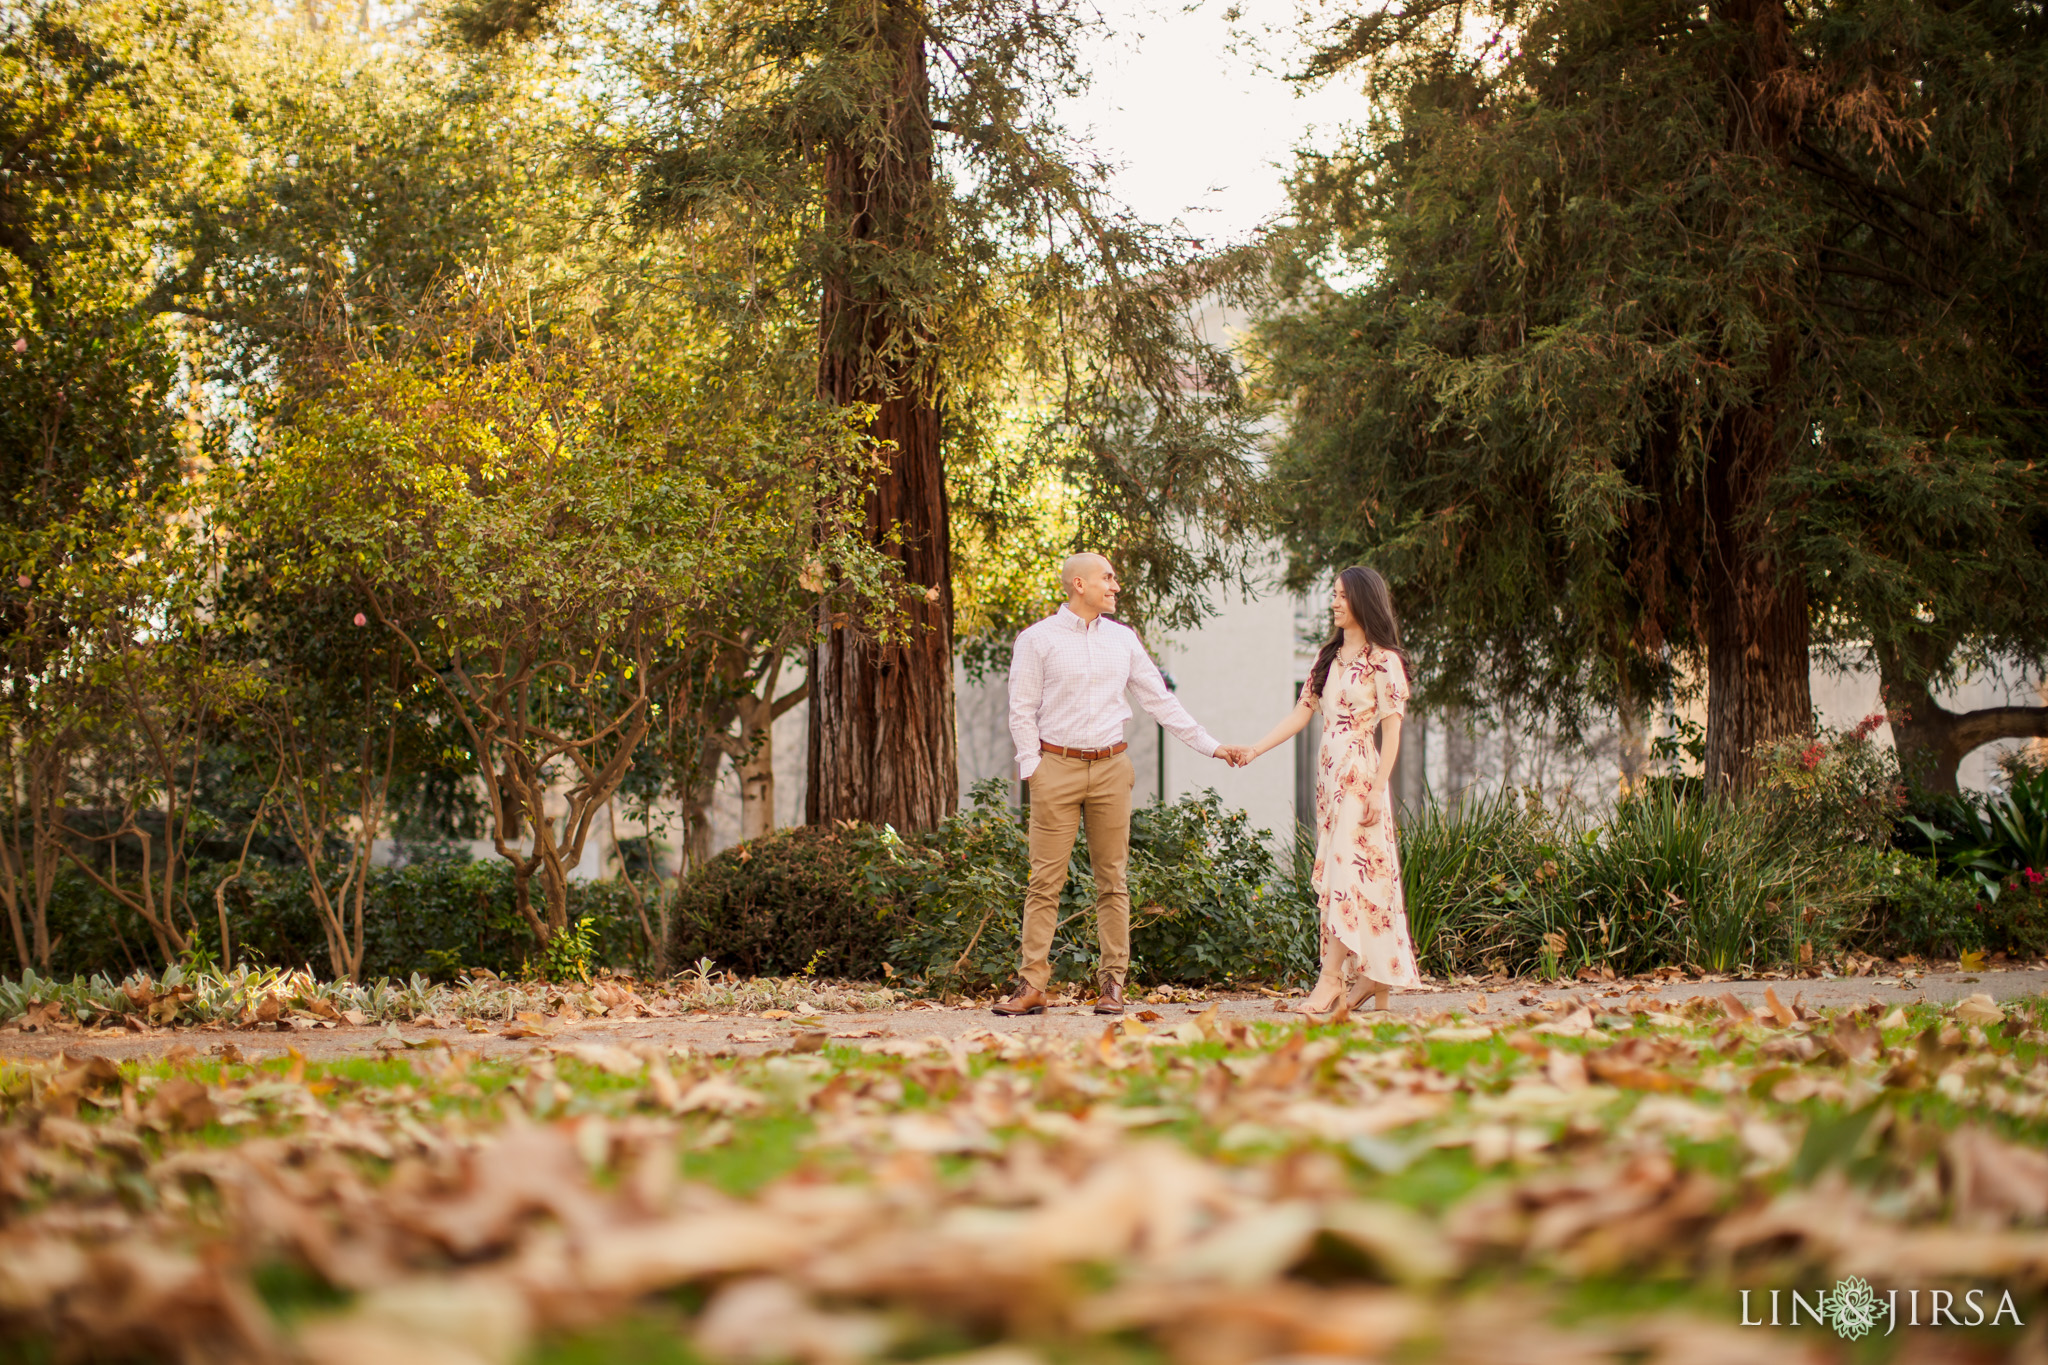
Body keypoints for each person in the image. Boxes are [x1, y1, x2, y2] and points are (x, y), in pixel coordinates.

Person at [993, 553, 1246, 1018]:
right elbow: (1021, 709)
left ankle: (1112, 985)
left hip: (1112, 768)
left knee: (1113, 880)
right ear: (1078, 584)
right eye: (1107, 578)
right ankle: (1031, 985)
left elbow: (1160, 703)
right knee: (1044, 881)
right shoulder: (1037, 640)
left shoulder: (1123, 640)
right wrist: (1035, 769)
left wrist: (1212, 746)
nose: (1115, 585)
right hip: (1056, 768)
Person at [1236, 566, 1418, 1020]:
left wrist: (1379, 790)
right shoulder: (1328, 658)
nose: (1334, 602)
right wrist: (1255, 749)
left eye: (1341, 595)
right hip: (1328, 779)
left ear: (1363, 601)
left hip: (1360, 774)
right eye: (1332, 595)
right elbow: (1300, 715)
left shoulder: (1384, 660)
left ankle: (1332, 979)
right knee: (1357, 877)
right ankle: (1372, 976)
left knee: (1344, 872)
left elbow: (1392, 732)